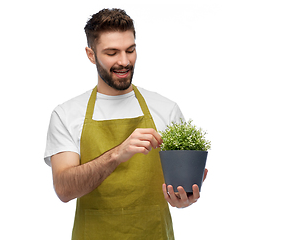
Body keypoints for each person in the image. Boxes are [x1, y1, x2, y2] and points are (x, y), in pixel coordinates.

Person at [44, 8, 208, 240]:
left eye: (130, 50)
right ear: (91, 55)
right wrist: (117, 154)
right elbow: (64, 188)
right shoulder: (66, 114)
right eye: (112, 52)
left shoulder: (165, 109)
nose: (124, 61)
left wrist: (183, 198)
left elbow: (177, 188)